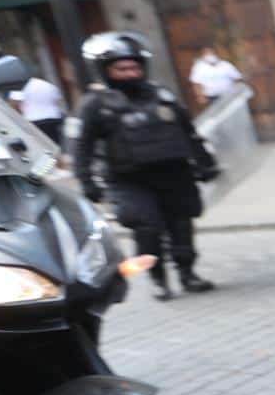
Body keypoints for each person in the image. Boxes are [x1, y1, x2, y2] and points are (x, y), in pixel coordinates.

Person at [74, 33, 218, 300]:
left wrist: (205, 162)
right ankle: (158, 279)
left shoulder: (162, 95)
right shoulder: (95, 104)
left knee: (181, 225)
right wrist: (87, 181)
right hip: (129, 179)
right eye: (122, 69)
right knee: (147, 228)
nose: (130, 73)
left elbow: (188, 132)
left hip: (174, 174)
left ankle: (188, 273)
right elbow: (82, 146)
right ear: (105, 71)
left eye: (134, 67)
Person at [15, 70, 65, 146]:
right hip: (53, 118)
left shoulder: (23, 87)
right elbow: (58, 101)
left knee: (40, 145)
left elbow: (16, 104)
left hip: (34, 121)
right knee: (57, 143)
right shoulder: (49, 85)